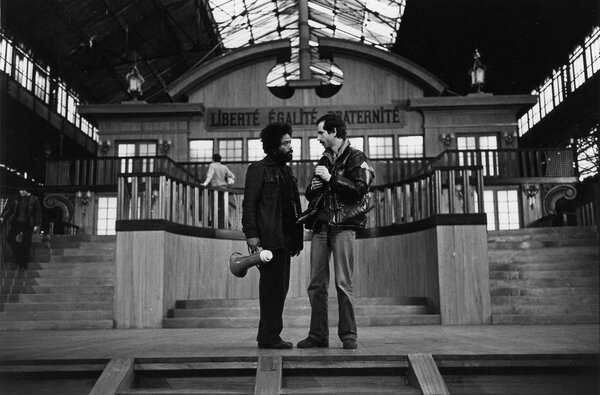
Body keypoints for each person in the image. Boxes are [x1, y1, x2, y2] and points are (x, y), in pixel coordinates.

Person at [296, 113, 374, 350]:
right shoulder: (325, 158)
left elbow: (360, 189)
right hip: (320, 226)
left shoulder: (356, 157)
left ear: (334, 132)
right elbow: (312, 192)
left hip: (343, 226)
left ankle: (348, 335)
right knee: (316, 284)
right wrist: (313, 187)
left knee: (343, 283)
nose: (318, 137)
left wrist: (331, 179)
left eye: (321, 132)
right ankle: (318, 335)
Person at [242, 122, 304, 349]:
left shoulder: (285, 171)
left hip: (285, 240)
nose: (290, 147)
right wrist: (251, 234)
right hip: (269, 239)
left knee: (280, 288)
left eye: (290, 142)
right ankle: (268, 337)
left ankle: (269, 336)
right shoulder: (258, 169)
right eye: (286, 143)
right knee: (272, 290)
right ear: (274, 145)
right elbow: (249, 204)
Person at [0, 187, 42, 271]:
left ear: (27, 190)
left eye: (23, 190)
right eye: (20, 190)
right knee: (10, 238)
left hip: (28, 223)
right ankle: (19, 256)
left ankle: (23, 265)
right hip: (17, 222)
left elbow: (38, 212)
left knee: (26, 243)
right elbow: (11, 210)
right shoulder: (17, 198)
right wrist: (3, 217)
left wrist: (37, 224)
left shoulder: (34, 199)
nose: (21, 192)